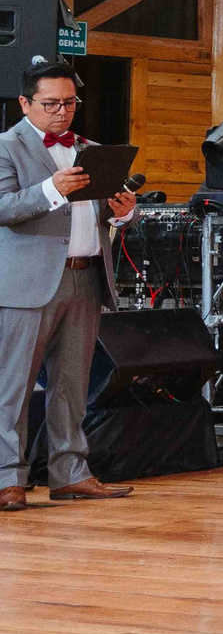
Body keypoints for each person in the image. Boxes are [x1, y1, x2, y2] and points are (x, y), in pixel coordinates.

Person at [0, 60, 139, 510]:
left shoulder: (90, 148)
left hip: (86, 275)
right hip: (27, 283)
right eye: (51, 104)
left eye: (70, 103)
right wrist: (52, 190)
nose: (62, 112)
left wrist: (122, 211)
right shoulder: (5, 147)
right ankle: (8, 480)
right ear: (25, 103)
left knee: (72, 385)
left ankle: (69, 473)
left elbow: (96, 215)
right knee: (14, 386)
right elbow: (3, 207)